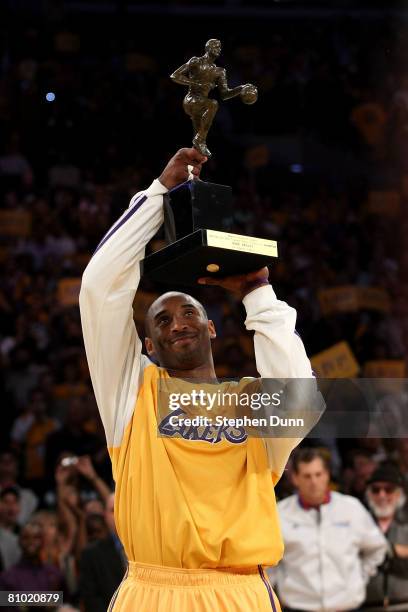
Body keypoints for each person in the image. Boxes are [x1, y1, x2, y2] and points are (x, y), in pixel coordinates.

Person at [79, 148, 318, 611]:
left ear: (211, 327)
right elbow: (98, 289)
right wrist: (158, 194)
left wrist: (259, 294)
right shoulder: (131, 392)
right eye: (161, 321)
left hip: (239, 593)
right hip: (152, 590)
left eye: (188, 311)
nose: (177, 323)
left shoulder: (253, 402)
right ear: (148, 345)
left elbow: (300, 397)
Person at [273, 447, 387, 611]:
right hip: (298, 606)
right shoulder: (280, 513)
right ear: (295, 478)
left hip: (346, 605)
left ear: (327, 475)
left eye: (318, 474)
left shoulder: (351, 507)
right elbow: (269, 563)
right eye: (307, 476)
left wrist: (359, 578)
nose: (313, 481)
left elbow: (377, 547)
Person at [170, 40, 254, 156]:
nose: (218, 49)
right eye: (215, 46)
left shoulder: (219, 72)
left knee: (197, 149)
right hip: (191, 100)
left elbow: (225, 95)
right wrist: (196, 83)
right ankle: (200, 140)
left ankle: (196, 155)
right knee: (213, 104)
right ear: (207, 47)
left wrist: (240, 89)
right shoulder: (196, 62)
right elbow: (175, 76)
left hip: (202, 105)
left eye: (219, 47)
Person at [363, 462, 408, 608]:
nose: (382, 495)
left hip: (404, 603)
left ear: (399, 493)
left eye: (389, 490)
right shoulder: (358, 522)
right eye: (376, 490)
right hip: (367, 605)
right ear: (369, 494)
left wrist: (393, 549)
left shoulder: (406, 523)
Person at [79, 493, 126, 612]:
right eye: (113, 510)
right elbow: (91, 599)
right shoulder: (91, 555)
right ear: (105, 515)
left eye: (123, 508)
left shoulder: (150, 548)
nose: (119, 514)